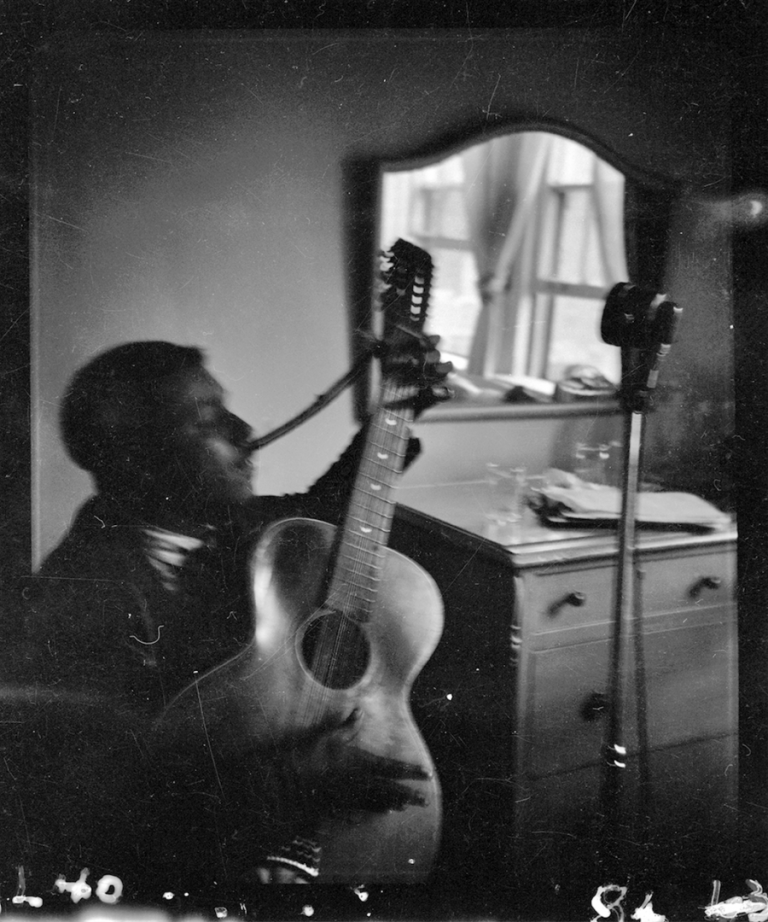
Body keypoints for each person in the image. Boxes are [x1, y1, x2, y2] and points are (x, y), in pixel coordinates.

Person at [17, 333, 451, 901]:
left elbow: (323, 513)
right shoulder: (74, 598)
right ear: (136, 459)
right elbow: (110, 813)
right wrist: (298, 776)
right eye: (207, 420)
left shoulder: (230, 522)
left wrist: (395, 414)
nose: (244, 430)